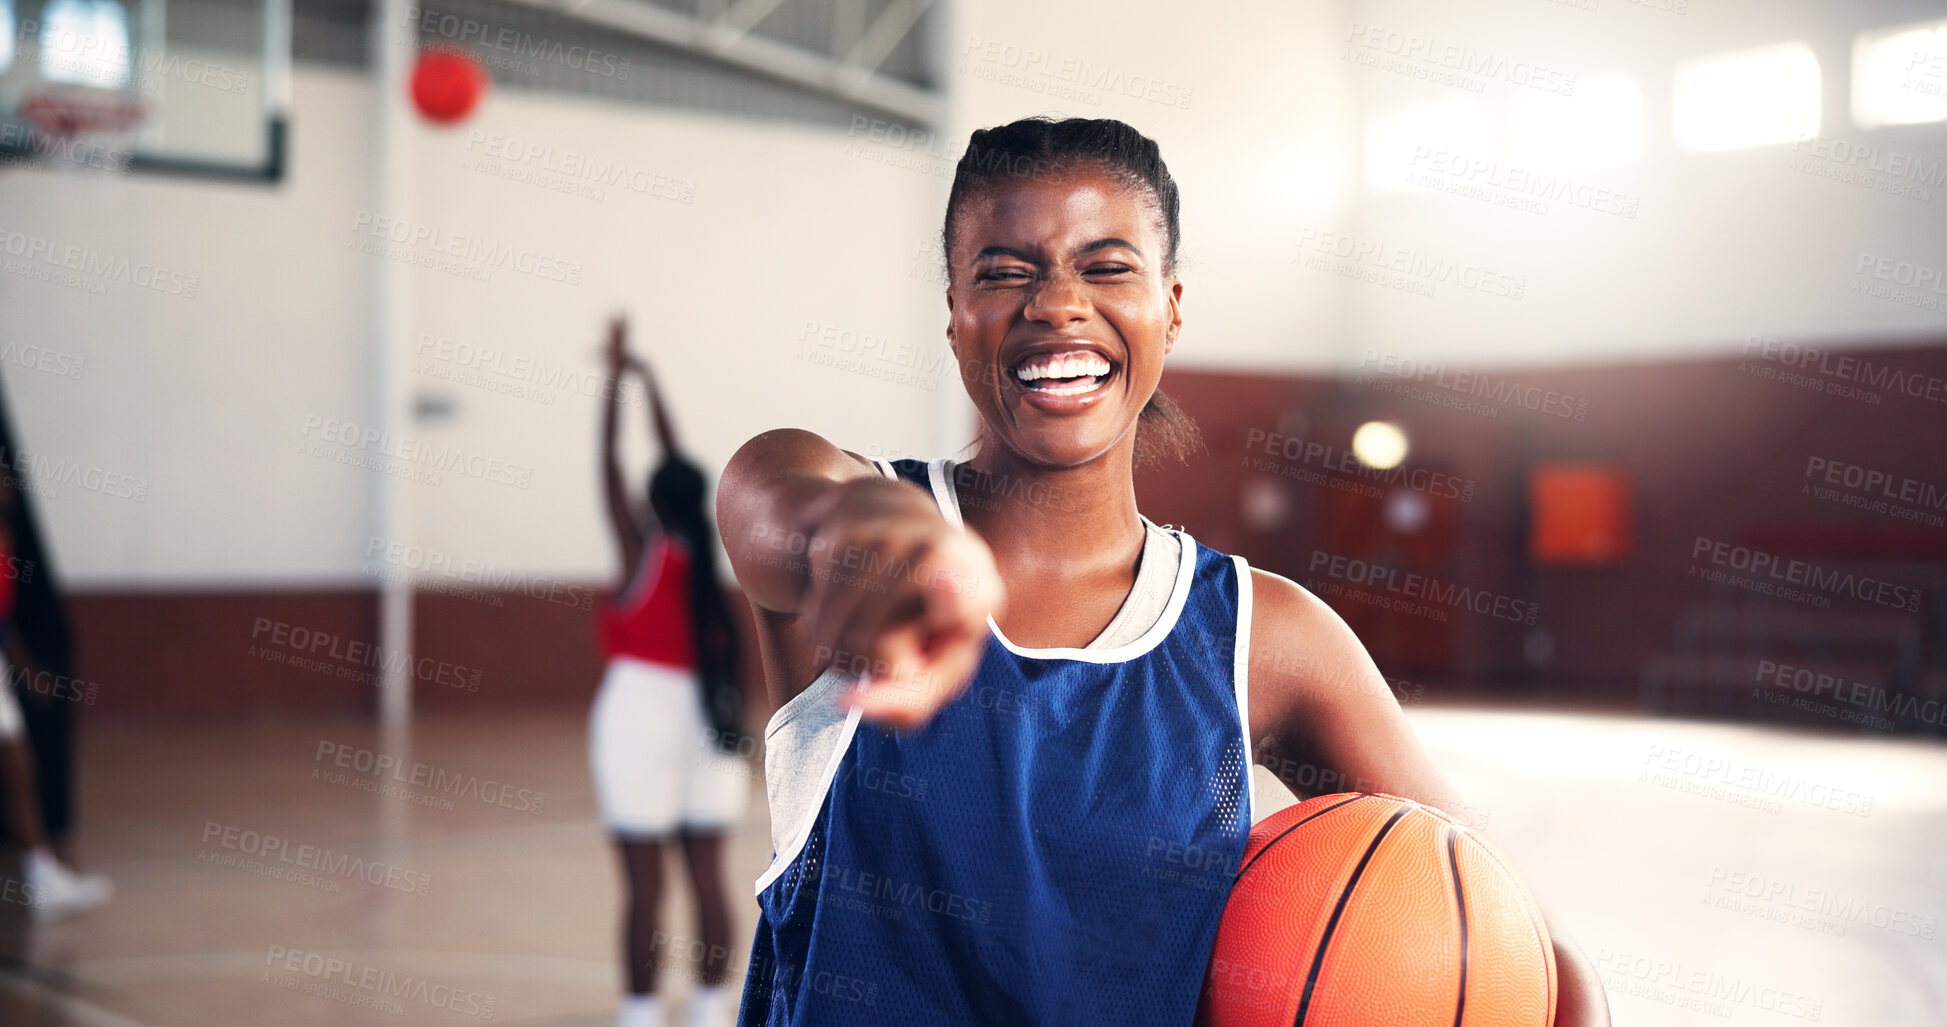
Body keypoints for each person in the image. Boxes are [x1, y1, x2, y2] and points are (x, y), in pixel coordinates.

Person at [718, 117, 1611, 1025]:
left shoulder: (1262, 637)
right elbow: (769, 493)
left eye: (1105, 266)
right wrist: (860, 535)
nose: (1056, 303)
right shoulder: (849, 511)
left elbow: (1534, 955)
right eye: (1003, 270)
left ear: (1171, 308)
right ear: (954, 316)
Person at [591, 318, 750, 1027]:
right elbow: (677, 465)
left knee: (644, 885)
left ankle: (640, 1012)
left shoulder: (642, 557)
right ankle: (714, 1008)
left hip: (638, 714)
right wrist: (649, 377)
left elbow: (607, 465)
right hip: (711, 715)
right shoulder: (712, 572)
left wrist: (615, 381)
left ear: (653, 505)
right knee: (709, 876)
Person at [0, 474, 110, 921]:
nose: (6, 484)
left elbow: (2, 619)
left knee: (17, 765)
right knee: (15, 763)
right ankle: (42, 874)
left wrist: (25, 669)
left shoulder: (5, 538)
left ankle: (42, 875)